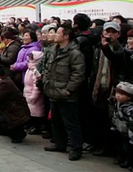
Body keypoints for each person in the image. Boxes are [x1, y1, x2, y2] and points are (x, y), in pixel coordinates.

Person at [42, 24, 85, 161]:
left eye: (58, 33)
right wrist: (45, 81)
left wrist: (68, 90)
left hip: (67, 94)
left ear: (66, 36)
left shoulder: (75, 53)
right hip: (53, 91)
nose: (54, 35)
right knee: (56, 121)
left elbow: (78, 75)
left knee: (71, 123)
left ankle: (76, 148)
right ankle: (59, 144)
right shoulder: (54, 50)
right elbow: (48, 68)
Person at [110, 81, 133, 169]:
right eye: (117, 93)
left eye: (122, 94)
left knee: (128, 148)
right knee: (119, 146)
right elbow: (114, 116)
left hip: (128, 132)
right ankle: (121, 157)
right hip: (119, 129)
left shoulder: (130, 108)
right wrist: (113, 126)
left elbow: (132, 123)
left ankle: (130, 162)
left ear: (129, 97)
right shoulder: (116, 104)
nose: (118, 95)